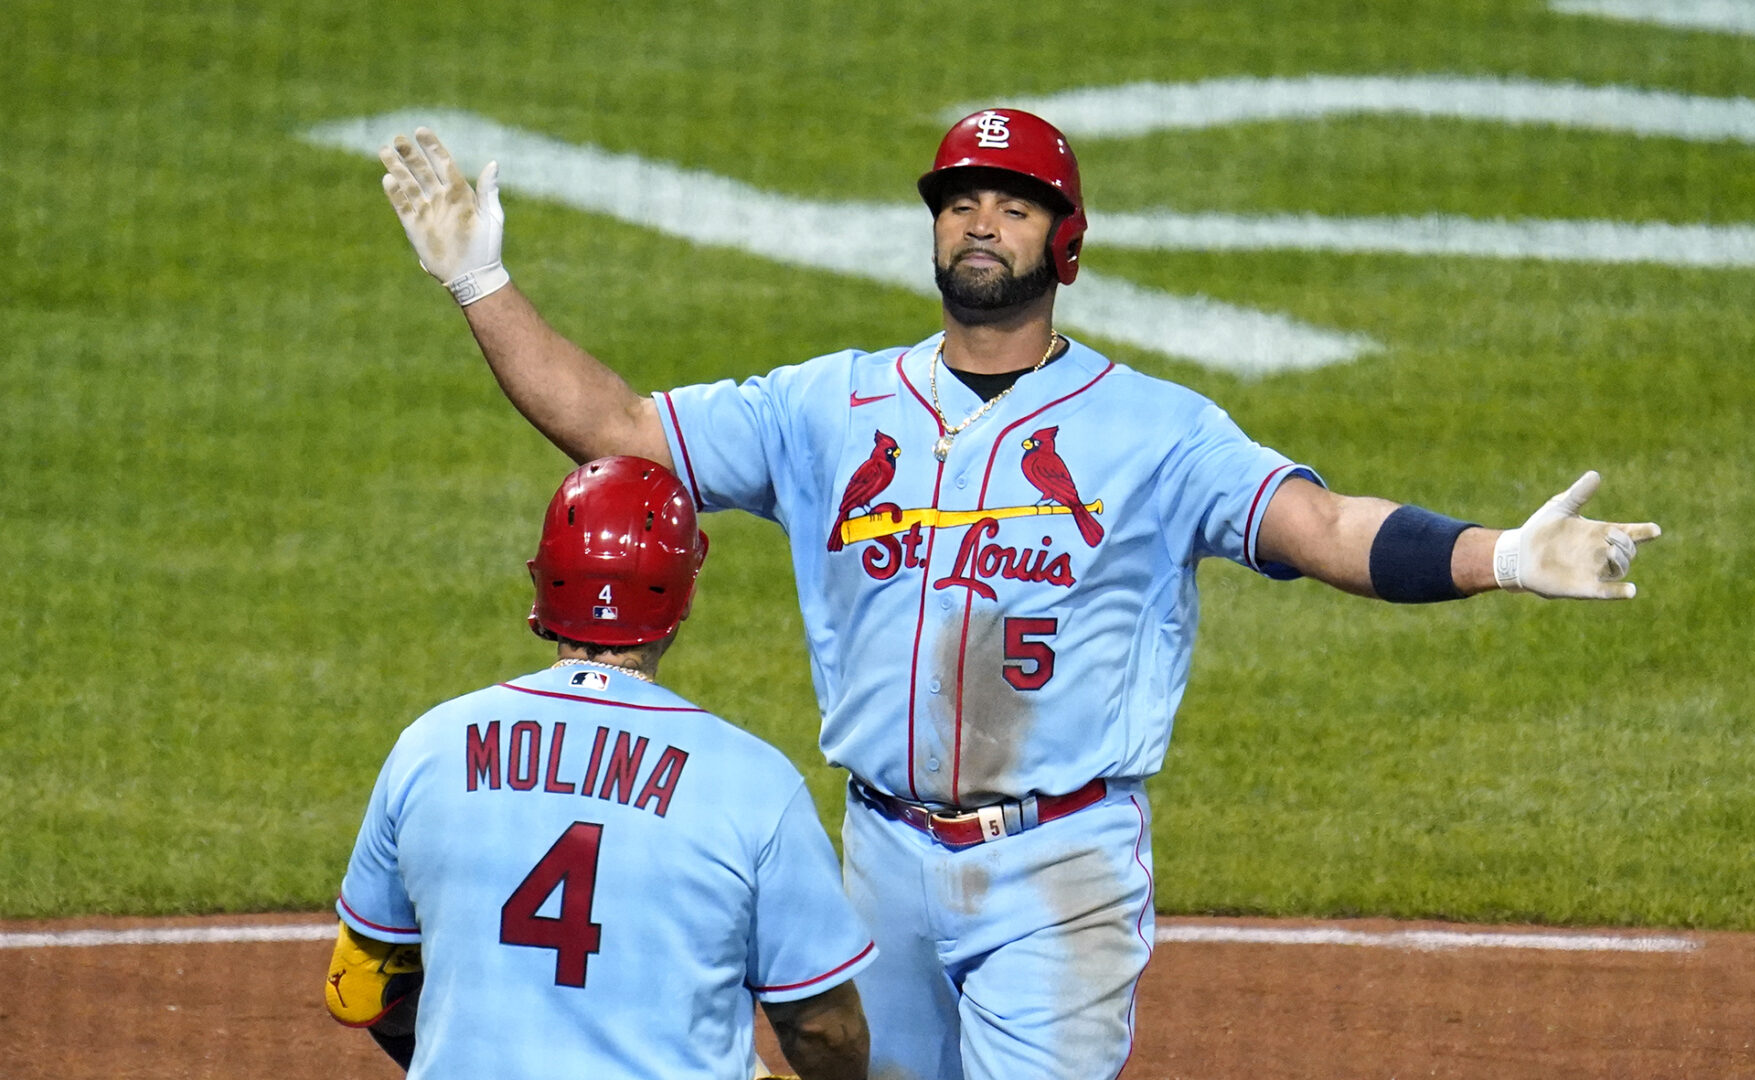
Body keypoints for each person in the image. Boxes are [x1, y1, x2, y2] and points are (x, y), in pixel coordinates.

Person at [373, 109, 1662, 1080]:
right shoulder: (830, 407)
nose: (981, 219)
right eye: (961, 198)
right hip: (875, 854)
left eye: (1017, 202)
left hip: (1061, 864)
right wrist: (479, 283)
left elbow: (1321, 526)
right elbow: (621, 430)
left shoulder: (1156, 429)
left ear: (1068, 242)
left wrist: (1500, 554)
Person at [324, 456, 873, 1080]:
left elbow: (365, 988)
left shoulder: (428, 747)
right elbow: (822, 1027)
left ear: (545, 581)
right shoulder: (753, 784)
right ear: (683, 593)